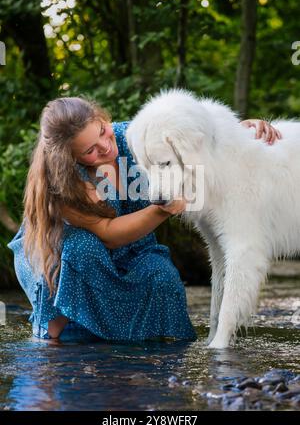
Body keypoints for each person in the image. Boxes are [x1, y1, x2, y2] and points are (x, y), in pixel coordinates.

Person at [7, 97, 281, 342]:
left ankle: (144, 353)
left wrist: (240, 130)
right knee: (81, 249)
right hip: (62, 251)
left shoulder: (135, 137)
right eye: (90, 150)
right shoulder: (63, 181)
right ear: (70, 158)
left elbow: (191, 132)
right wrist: (162, 209)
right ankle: (51, 337)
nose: (105, 146)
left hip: (134, 248)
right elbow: (109, 233)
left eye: (103, 131)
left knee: (162, 276)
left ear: (103, 119)